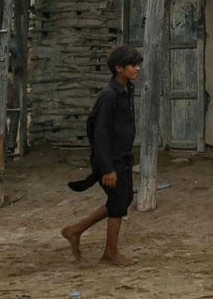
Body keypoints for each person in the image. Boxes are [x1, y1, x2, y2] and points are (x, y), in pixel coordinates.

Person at [61, 46, 141, 265]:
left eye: (138, 64)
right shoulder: (108, 96)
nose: (137, 68)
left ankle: (75, 230)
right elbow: (99, 133)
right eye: (133, 65)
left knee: (122, 199)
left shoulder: (127, 90)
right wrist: (107, 168)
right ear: (119, 68)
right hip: (110, 159)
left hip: (122, 156)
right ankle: (110, 252)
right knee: (119, 200)